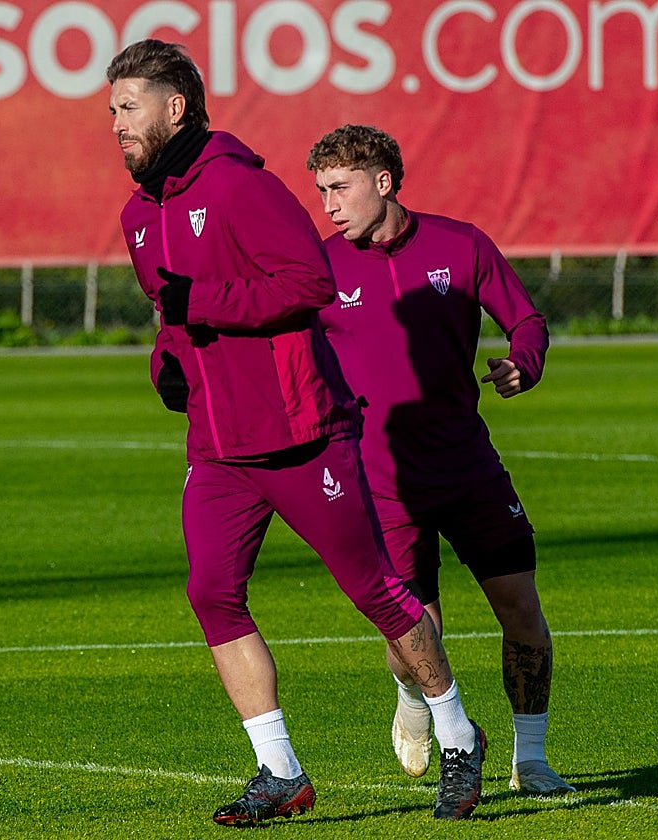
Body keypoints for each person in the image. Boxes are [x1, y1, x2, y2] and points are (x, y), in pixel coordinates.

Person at [105, 41, 487, 824]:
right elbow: (169, 314)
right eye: (111, 110)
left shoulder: (242, 187)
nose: (115, 123)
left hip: (301, 434)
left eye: (127, 106)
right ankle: (280, 772)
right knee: (212, 594)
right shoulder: (139, 216)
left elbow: (309, 283)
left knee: (376, 593)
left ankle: (456, 734)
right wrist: (165, 362)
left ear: (175, 107)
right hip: (217, 447)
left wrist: (196, 306)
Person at [305, 124, 574, 796]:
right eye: (321, 191)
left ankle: (532, 759)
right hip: (382, 482)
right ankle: (413, 697)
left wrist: (524, 365)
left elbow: (528, 322)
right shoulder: (320, 267)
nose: (329, 205)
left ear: (384, 181)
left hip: (468, 468)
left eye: (339, 187)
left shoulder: (461, 245)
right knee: (416, 631)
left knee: (521, 607)